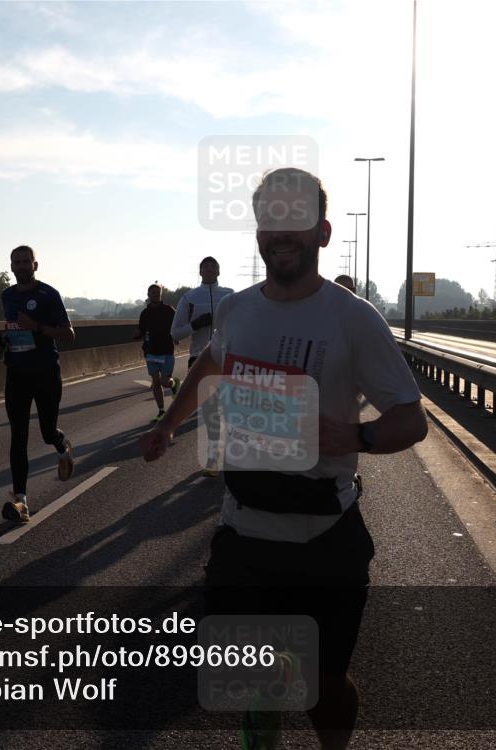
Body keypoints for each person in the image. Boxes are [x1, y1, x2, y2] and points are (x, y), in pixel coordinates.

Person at [140, 168, 427, 749]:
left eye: (294, 219)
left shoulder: (354, 318)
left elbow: (410, 419)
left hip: (325, 536)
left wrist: (355, 437)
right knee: (250, 678)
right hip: (242, 533)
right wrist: (169, 423)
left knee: (323, 686)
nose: (280, 232)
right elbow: (212, 363)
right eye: (269, 220)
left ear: (322, 232)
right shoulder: (238, 310)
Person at [0, 245, 76, 525]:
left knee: (45, 432)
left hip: (45, 372)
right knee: (18, 436)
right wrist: (3, 339)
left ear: (35, 265)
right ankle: (21, 501)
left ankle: (62, 445)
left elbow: (68, 334)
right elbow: (12, 328)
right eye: (15, 262)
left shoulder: (48, 294)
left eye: (25, 262)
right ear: (11, 266)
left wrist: (38, 327)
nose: (20, 266)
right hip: (17, 373)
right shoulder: (6, 295)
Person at [170, 257, 233, 476]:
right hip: (199, 358)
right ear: (199, 271)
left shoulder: (229, 295)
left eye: (212, 265)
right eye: (205, 265)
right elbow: (175, 333)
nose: (208, 268)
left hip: (228, 359)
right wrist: (195, 325)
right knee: (210, 410)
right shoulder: (189, 298)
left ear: (218, 270)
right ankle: (214, 457)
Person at [134, 283, 179, 423]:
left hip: (166, 350)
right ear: (148, 294)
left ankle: (174, 384)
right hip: (151, 351)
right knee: (155, 381)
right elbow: (141, 330)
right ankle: (161, 411)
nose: (155, 294)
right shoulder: (145, 313)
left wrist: (176, 336)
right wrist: (137, 335)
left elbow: (178, 324)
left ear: (161, 294)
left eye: (158, 292)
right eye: (153, 292)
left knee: (164, 381)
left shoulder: (169, 310)